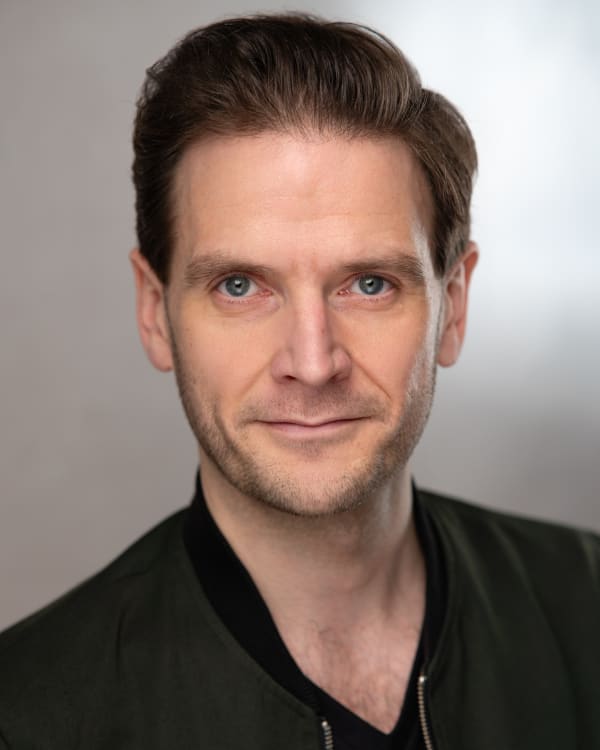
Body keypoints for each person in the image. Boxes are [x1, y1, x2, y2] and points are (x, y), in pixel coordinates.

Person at [0, 12, 598, 750]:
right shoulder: (27, 718)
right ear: (155, 313)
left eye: (369, 284)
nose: (312, 364)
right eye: (240, 286)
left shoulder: (588, 605)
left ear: (454, 306)